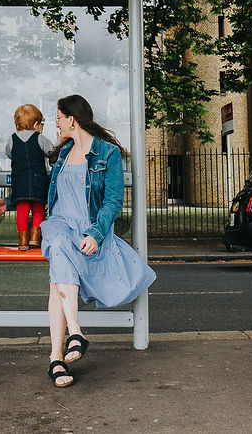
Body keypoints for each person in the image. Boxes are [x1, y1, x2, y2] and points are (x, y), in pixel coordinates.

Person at [40, 94, 156, 388]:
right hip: (57, 224)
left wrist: (96, 232)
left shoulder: (108, 153)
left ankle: (56, 358)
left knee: (58, 274)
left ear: (71, 119)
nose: (55, 123)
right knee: (56, 243)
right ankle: (76, 331)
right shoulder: (63, 153)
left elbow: (114, 201)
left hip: (85, 228)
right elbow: (53, 197)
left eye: (58, 118)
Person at [0, 104, 54, 250]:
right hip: (38, 181)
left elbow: (8, 153)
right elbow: (52, 152)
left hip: (20, 182)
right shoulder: (40, 138)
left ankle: (23, 240)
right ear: (36, 124)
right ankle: (35, 237)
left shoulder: (12, 139)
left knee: (22, 211)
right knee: (38, 210)